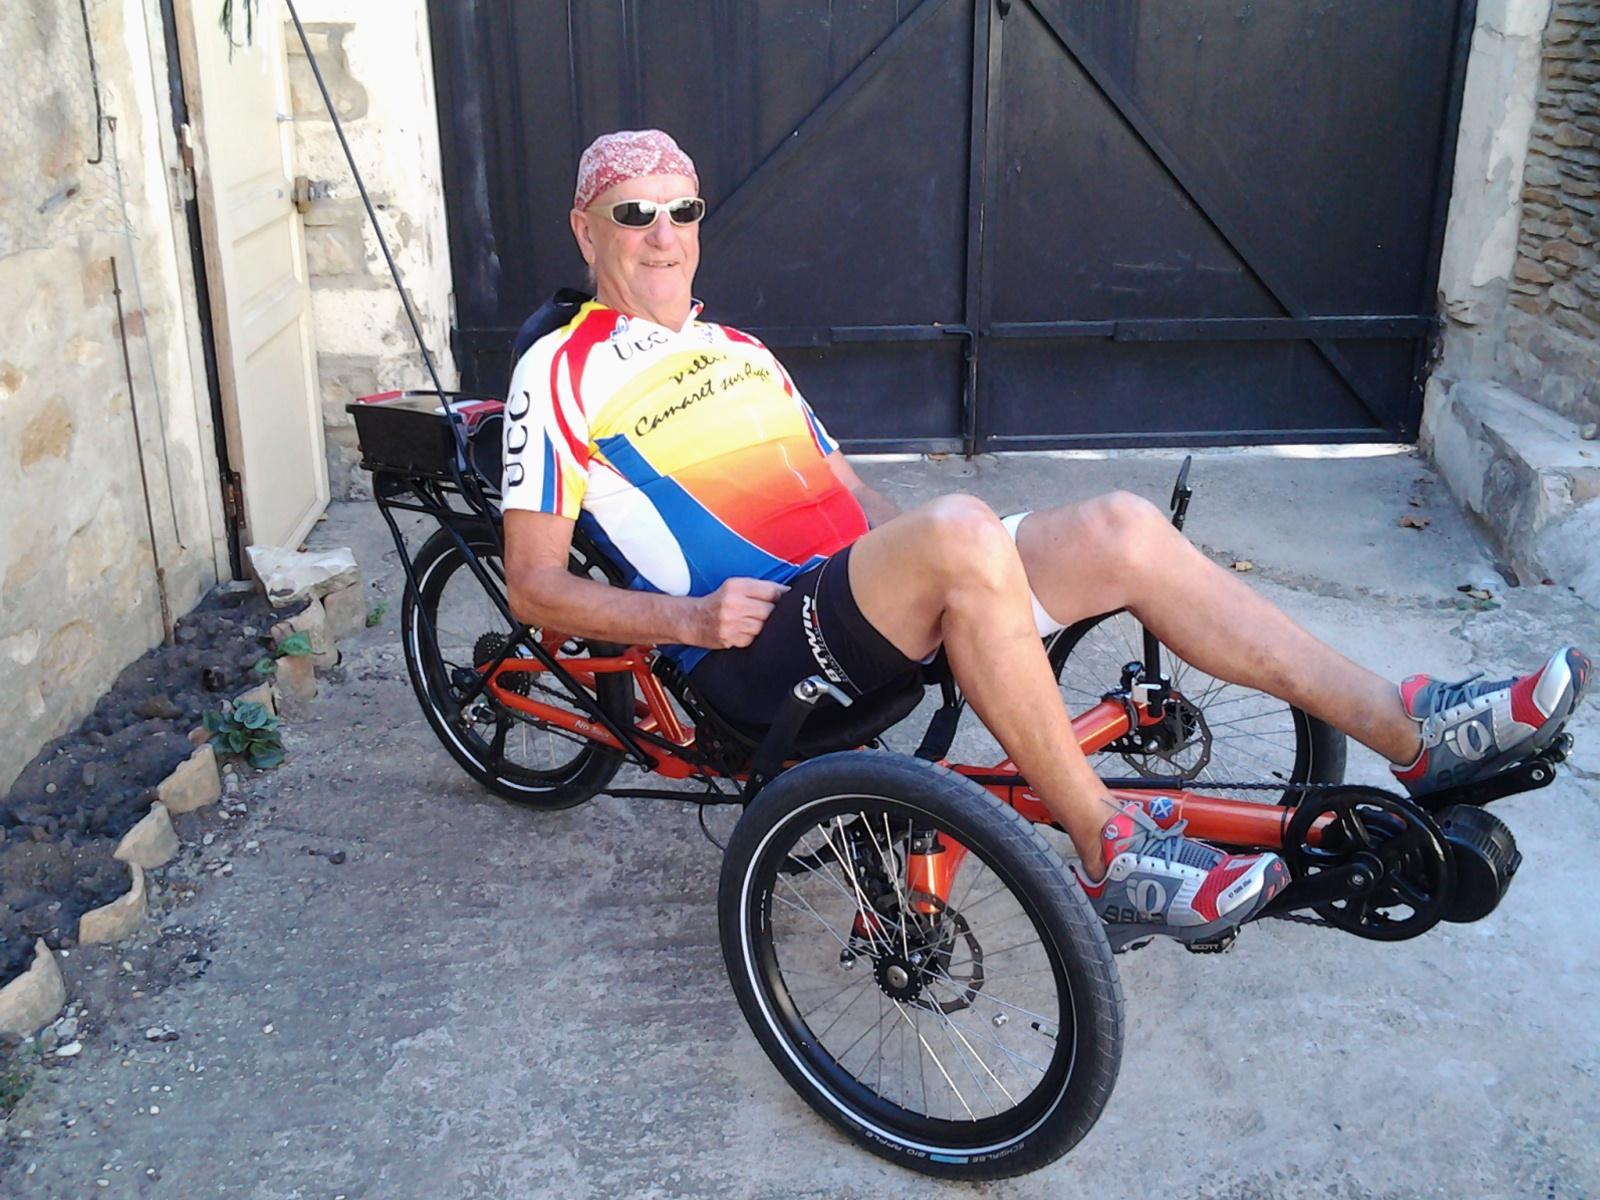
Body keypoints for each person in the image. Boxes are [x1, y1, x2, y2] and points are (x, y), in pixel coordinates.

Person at [500, 129, 1589, 949]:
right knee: (961, 530)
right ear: (587, 231)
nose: (663, 234)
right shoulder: (555, 375)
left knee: (1120, 525)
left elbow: (848, 491)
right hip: (758, 646)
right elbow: (534, 587)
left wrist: (948, 561)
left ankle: (1410, 730)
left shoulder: (741, 348)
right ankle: (1110, 850)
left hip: (858, 599)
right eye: (633, 212)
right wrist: (690, 619)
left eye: (681, 209)